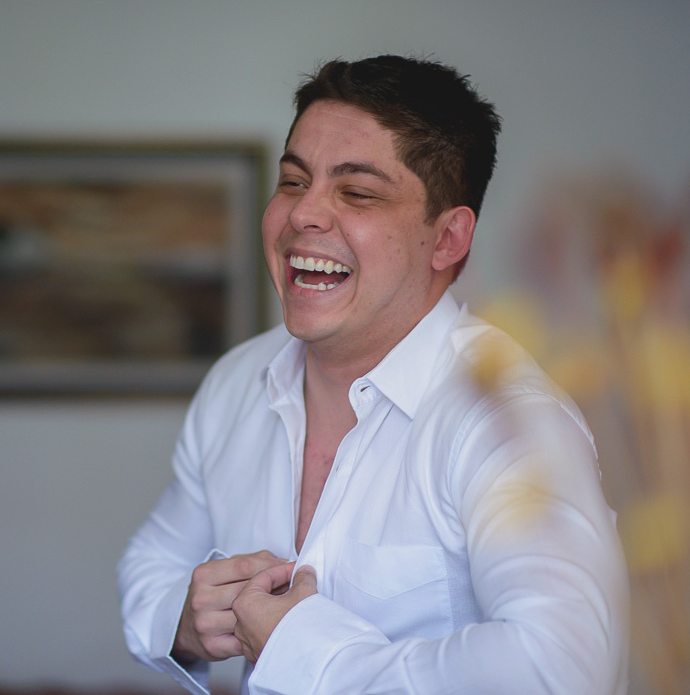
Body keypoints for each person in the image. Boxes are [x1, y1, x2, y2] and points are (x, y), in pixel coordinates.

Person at [117, 55, 629, 694]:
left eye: (357, 192)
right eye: (293, 181)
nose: (304, 214)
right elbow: (152, 564)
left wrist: (306, 652)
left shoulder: (509, 421)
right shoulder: (235, 383)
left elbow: (563, 672)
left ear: (448, 238)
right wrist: (184, 620)